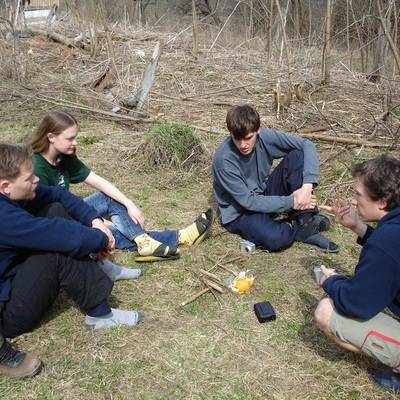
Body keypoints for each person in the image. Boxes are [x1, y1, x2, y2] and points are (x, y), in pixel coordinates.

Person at [0, 142, 145, 379]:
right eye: (29, 178)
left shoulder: (10, 196)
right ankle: (99, 314)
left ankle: (102, 268)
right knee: (57, 249)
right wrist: (101, 240)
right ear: (5, 186)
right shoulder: (3, 216)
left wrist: (95, 220)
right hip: (9, 312)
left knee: (54, 207)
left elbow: (58, 194)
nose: (36, 179)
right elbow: (61, 236)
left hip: (12, 273)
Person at [28, 111, 213, 262]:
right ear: (51, 137)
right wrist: (96, 220)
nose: (75, 143)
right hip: (54, 222)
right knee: (111, 232)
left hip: (69, 210)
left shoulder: (64, 157)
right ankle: (179, 237)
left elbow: (98, 181)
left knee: (108, 197)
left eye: (75, 137)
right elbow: (48, 213)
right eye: (70, 138)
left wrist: (129, 204)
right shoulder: (36, 167)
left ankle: (144, 240)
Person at [315, 155, 400, 391]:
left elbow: (354, 303)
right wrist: (358, 227)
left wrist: (331, 282)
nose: (353, 200)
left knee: (326, 312)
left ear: (382, 202)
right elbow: (393, 255)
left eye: (358, 195)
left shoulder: (387, 241)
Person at [211, 104, 338, 253]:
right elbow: (249, 202)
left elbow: (307, 144)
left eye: (248, 138)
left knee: (297, 155)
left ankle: (305, 223)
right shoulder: (224, 160)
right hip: (240, 212)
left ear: (258, 130)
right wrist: (293, 201)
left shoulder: (266, 137)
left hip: (262, 193)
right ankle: (297, 223)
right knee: (276, 239)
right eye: (236, 139)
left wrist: (307, 187)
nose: (243, 145)